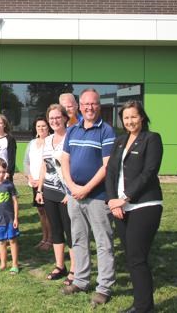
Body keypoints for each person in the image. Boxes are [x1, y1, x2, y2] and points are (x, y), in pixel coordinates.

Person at [105, 101, 163, 313]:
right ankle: (142, 304)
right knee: (132, 257)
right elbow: (110, 172)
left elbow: (149, 173)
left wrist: (125, 198)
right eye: (126, 117)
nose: (129, 121)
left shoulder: (152, 139)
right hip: (120, 208)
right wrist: (112, 201)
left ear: (142, 118)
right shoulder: (120, 141)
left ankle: (143, 308)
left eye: (133, 117)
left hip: (145, 204)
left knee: (137, 258)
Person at [61, 88, 116, 307]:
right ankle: (81, 280)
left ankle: (104, 287)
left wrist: (87, 188)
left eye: (93, 104)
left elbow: (107, 166)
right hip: (75, 195)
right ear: (80, 107)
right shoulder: (72, 130)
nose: (89, 108)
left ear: (98, 106)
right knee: (78, 239)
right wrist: (73, 186)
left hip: (97, 196)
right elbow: (64, 161)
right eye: (85, 104)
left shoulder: (107, 131)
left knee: (103, 242)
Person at [35, 104, 75, 285]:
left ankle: (75, 269)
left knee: (70, 231)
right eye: (51, 118)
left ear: (65, 118)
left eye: (58, 117)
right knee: (56, 230)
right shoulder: (47, 139)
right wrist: (40, 190)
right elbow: (44, 165)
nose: (54, 121)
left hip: (66, 194)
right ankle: (60, 266)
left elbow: (75, 167)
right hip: (49, 191)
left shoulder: (72, 137)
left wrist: (71, 191)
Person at [24, 116, 52, 251]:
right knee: (41, 212)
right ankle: (44, 238)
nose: (41, 128)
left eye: (44, 126)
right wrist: (30, 178)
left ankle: (51, 240)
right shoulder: (32, 143)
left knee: (48, 212)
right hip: (34, 183)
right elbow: (26, 162)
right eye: (38, 126)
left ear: (48, 127)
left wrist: (40, 181)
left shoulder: (51, 142)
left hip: (47, 183)